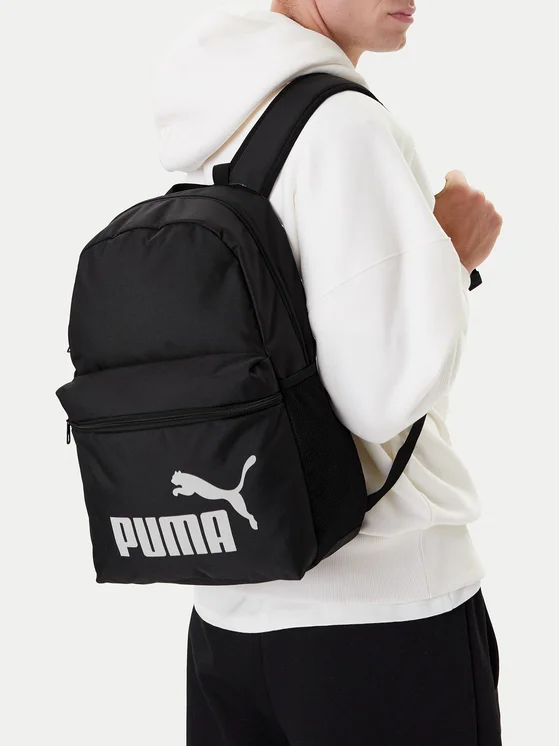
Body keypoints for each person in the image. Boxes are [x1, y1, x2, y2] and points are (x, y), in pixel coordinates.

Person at [151, 2, 503, 744]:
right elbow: (379, 397)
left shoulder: (220, 118)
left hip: (230, 615)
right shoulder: (345, 123)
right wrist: (453, 254)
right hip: (383, 620)